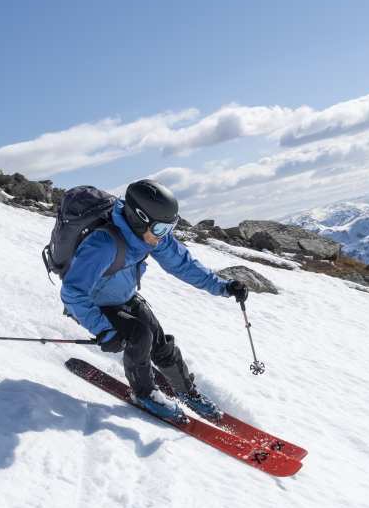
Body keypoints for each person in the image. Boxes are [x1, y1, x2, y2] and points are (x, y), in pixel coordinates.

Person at [60, 179, 248, 422]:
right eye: (161, 229)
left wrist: (223, 286)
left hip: (124, 296)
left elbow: (183, 264)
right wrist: (103, 330)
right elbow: (73, 292)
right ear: (139, 218)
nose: (164, 236)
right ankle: (145, 394)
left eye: (170, 228)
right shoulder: (103, 244)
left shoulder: (148, 234)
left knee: (160, 343)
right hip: (93, 305)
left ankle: (187, 392)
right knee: (140, 337)